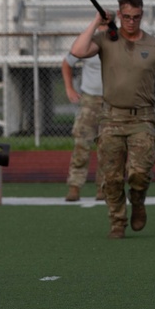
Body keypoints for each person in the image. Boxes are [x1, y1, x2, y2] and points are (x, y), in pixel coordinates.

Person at [69, 0, 155, 239]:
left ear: (142, 15)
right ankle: (117, 222)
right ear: (119, 15)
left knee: (140, 172)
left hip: (142, 118)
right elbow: (76, 51)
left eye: (136, 17)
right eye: (127, 17)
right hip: (111, 118)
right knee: (112, 176)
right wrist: (96, 21)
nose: (131, 22)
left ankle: (138, 200)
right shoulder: (105, 40)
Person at [61, 52, 105, 202]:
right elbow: (67, 63)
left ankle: (103, 188)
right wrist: (69, 88)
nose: (105, 27)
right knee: (81, 145)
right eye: (102, 25)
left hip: (114, 101)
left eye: (108, 25)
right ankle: (75, 186)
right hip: (89, 100)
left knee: (110, 148)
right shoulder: (87, 45)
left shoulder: (122, 43)